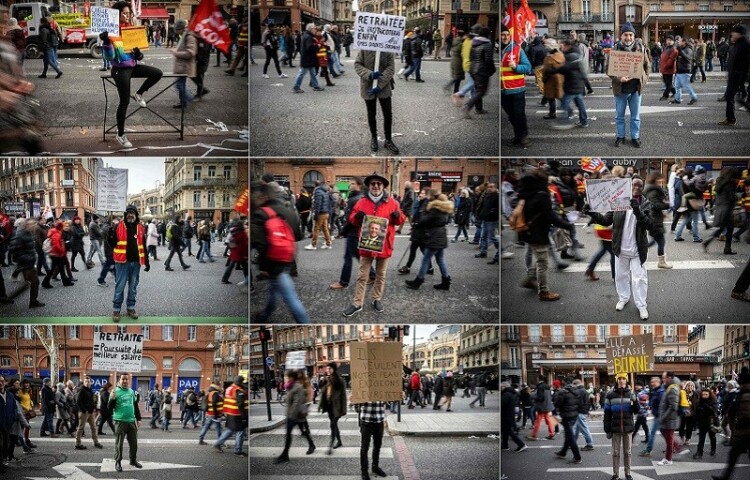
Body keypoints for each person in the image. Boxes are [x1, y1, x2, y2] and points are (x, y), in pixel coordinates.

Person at [585, 177, 654, 320]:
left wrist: (637, 209)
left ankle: (641, 306)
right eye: (634, 184)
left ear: (643, 188)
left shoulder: (646, 204)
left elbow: (649, 224)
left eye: (639, 185)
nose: (636, 187)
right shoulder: (619, 201)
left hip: (637, 250)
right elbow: (605, 221)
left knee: (639, 279)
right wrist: (591, 212)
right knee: (620, 276)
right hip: (620, 249)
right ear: (629, 186)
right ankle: (623, 298)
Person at [100, 1, 164, 148]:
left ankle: (139, 93)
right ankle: (121, 134)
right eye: (124, 13)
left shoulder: (132, 29)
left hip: (132, 66)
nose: (127, 15)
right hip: (119, 69)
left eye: (129, 13)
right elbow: (109, 58)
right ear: (117, 15)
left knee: (157, 73)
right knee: (124, 103)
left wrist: (138, 55)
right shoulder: (111, 31)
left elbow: (138, 55)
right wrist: (106, 43)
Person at [343, 173, 404, 316]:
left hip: (384, 245)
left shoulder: (392, 203)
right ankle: (357, 303)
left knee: (381, 275)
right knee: (362, 276)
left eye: (379, 184)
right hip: (366, 245)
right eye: (373, 184)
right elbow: (352, 219)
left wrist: (398, 217)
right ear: (369, 186)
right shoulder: (361, 202)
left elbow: (400, 219)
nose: (376, 186)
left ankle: (376, 298)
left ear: (383, 186)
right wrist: (356, 218)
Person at [251, 183, 307, 322]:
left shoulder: (260, 213)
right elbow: (298, 235)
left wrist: (264, 267)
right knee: (274, 288)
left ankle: (305, 323)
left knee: (290, 296)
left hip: (274, 262)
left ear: (263, 196)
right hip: (288, 256)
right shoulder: (288, 210)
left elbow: (260, 244)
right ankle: (265, 314)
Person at [517, 169, 575, 301]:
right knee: (543, 263)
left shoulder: (526, 193)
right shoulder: (542, 195)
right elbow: (551, 217)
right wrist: (568, 225)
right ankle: (543, 291)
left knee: (539, 257)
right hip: (539, 233)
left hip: (528, 232)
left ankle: (530, 278)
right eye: (546, 181)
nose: (549, 183)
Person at [609, 22, 650, 148]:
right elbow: (608, 69)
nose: (628, 38)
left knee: (635, 117)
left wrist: (644, 80)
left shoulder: (641, 48)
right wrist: (618, 78)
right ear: (621, 36)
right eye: (625, 35)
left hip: (635, 90)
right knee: (619, 116)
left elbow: (647, 66)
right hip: (620, 90)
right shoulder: (615, 49)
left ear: (634, 36)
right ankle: (620, 137)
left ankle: (635, 137)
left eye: (631, 35)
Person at [405, 189, 454, 290]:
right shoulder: (443, 207)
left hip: (435, 236)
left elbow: (424, 219)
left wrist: (416, 223)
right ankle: (445, 281)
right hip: (441, 235)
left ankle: (418, 281)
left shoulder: (435, 209)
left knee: (426, 259)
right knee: (440, 259)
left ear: (432, 197)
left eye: (428, 196)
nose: (427, 197)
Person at [354, 45, 399, 154]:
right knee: (371, 113)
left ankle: (388, 140)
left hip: (384, 87)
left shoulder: (388, 50)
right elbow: (357, 64)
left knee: (388, 114)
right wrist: (369, 74)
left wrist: (380, 84)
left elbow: (390, 68)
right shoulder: (365, 48)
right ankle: (374, 137)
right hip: (367, 85)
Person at [109, 205, 150, 322]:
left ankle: (130, 308)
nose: (130, 215)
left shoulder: (140, 227)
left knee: (133, 287)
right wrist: (110, 235)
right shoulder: (118, 226)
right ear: (125, 214)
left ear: (136, 215)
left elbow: (143, 246)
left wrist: (146, 262)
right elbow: (112, 244)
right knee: (120, 286)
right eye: (128, 213)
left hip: (136, 263)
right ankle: (116, 310)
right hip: (122, 263)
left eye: (133, 213)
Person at [712, 367, 750, 480]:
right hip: (743, 431)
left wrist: (739, 424)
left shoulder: (745, 395)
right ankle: (725, 477)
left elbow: (745, 413)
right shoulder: (741, 393)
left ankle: (725, 477)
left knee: (733, 455)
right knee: (733, 455)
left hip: (745, 431)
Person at [500, 24, 532, 148]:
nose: (505, 37)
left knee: (519, 115)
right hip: (503, 91)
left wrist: (516, 67)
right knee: (511, 116)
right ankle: (517, 136)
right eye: (502, 34)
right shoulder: (497, 50)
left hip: (517, 89)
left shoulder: (517, 49)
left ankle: (523, 136)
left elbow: (528, 67)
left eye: (507, 35)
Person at [604, 373, 638, 480]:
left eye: (623, 378)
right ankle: (616, 474)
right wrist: (607, 429)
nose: (622, 381)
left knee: (627, 452)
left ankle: (628, 473)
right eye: (620, 379)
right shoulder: (610, 395)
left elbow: (636, 411)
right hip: (615, 429)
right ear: (617, 381)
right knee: (615, 453)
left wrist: (635, 401)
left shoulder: (631, 394)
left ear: (626, 380)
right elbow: (607, 413)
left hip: (628, 429)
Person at [703, 167, 742, 254]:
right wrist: (738, 196)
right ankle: (726, 248)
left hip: (720, 208)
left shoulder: (719, 181)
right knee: (729, 229)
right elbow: (732, 197)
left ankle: (709, 241)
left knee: (723, 228)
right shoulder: (730, 184)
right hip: (728, 209)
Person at [108, 374, 142, 472]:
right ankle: (118, 461)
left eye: (126, 379)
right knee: (119, 444)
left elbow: (135, 406)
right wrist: (113, 399)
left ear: (129, 380)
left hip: (131, 422)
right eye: (123, 379)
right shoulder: (115, 391)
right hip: (120, 422)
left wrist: (138, 419)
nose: (125, 381)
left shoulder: (131, 391)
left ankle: (133, 460)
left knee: (134, 443)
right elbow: (109, 408)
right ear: (120, 380)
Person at [8, 218, 44, 307]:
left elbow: (30, 247)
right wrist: (25, 259)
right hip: (25, 263)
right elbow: (13, 249)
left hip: (30, 262)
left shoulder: (29, 233)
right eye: (32, 224)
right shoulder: (19, 235)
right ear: (26, 225)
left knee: (34, 282)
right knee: (27, 284)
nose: (34, 226)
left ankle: (33, 301)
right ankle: (9, 298)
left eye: (34, 224)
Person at [719, 25, 750, 126]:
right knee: (730, 97)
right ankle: (730, 119)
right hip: (733, 77)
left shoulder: (745, 45)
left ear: (740, 33)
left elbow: (745, 65)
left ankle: (731, 119)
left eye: (734, 32)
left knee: (738, 99)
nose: (732, 34)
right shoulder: (736, 44)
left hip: (738, 77)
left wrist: (741, 82)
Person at [462, 26, 496, 118]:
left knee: (478, 90)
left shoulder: (474, 42)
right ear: (487, 35)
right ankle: (468, 107)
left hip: (473, 69)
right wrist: (492, 70)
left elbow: (470, 56)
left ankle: (479, 108)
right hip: (482, 71)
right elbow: (488, 60)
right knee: (481, 91)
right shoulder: (487, 44)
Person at [354, 401, 388, 480]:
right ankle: (364, 471)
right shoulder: (362, 388)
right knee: (364, 447)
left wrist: (398, 396)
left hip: (379, 420)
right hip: (366, 420)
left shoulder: (382, 388)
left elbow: (387, 401)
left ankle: (375, 467)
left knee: (377, 446)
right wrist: (354, 401)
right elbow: (356, 408)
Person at [657, 371, 684, 466]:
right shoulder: (670, 387)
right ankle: (677, 445)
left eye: (664, 378)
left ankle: (668, 459)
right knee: (666, 435)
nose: (663, 380)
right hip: (668, 419)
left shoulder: (673, 389)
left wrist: (663, 417)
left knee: (669, 439)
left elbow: (673, 407)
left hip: (670, 419)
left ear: (669, 378)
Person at [554, 377, 583, 464]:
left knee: (570, 437)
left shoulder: (563, 392)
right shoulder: (577, 392)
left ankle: (577, 457)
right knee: (568, 434)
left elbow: (557, 404)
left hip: (566, 416)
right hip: (574, 416)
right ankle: (563, 452)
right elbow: (580, 404)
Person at [169, 19, 197, 109]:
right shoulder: (183, 36)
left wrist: (176, 53)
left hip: (185, 66)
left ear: (181, 29)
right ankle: (183, 102)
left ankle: (189, 98)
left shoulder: (189, 37)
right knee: (180, 85)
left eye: (177, 30)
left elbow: (190, 53)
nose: (176, 32)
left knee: (179, 85)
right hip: (181, 66)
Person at [319, 362, 346, 454]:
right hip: (329, 407)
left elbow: (343, 396)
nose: (328, 370)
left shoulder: (340, 380)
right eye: (327, 369)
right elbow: (322, 392)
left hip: (337, 407)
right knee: (334, 425)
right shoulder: (326, 380)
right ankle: (339, 441)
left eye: (330, 369)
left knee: (333, 425)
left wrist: (343, 409)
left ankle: (330, 445)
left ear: (334, 369)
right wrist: (324, 380)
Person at [41, 220, 73, 289]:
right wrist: (62, 250)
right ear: (60, 227)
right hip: (56, 254)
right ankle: (46, 282)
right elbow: (56, 245)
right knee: (59, 269)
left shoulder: (55, 232)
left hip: (55, 254)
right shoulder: (56, 234)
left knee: (59, 269)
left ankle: (65, 282)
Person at [292, 23, 324, 92]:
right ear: (311, 29)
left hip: (308, 58)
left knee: (312, 73)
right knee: (302, 73)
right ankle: (296, 87)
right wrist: (317, 46)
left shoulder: (306, 35)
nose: (316, 29)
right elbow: (309, 47)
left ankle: (316, 86)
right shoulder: (308, 36)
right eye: (315, 28)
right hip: (307, 58)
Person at [75, 376, 103, 450]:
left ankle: (96, 442)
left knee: (94, 427)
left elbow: (91, 400)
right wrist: (84, 410)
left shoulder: (90, 389)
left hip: (90, 412)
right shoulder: (81, 390)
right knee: (81, 428)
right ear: (84, 382)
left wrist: (93, 406)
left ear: (91, 382)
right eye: (86, 381)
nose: (87, 383)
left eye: (88, 381)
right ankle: (78, 443)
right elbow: (78, 401)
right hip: (84, 412)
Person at [670, 36, 699, 105]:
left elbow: (687, 58)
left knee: (686, 86)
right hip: (679, 70)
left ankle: (694, 97)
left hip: (685, 70)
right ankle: (678, 99)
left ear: (684, 42)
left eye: (680, 41)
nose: (678, 42)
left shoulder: (688, 49)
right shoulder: (681, 48)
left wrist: (679, 49)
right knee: (677, 86)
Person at [501, 381, 527, 452]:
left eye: (501, 387)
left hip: (506, 415)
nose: (501, 388)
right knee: (505, 431)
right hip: (509, 415)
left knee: (509, 431)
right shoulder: (511, 393)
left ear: (504, 387)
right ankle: (505, 445)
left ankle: (521, 444)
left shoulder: (506, 394)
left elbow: (502, 405)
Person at [693, 387, 719, 459]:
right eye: (703, 394)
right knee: (701, 438)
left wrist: (706, 406)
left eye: (706, 394)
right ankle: (699, 452)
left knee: (712, 437)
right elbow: (696, 412)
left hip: (711, 422)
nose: (704, 396)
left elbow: (714, 411)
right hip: (702, 422)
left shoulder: (713, 400)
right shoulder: (699, 401)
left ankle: (713, 449)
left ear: (709, 394)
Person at [659, 35, 678, 100]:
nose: (669, 41)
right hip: (664, 69)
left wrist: (665, 67)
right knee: (667, 83)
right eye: (668, 40)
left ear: (673, 41)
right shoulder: (666, 48)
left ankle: (665, 95)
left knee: (668, 84)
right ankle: (675, 92)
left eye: (670, 40)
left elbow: (670, 60)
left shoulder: (673, 49)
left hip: (669, 69)